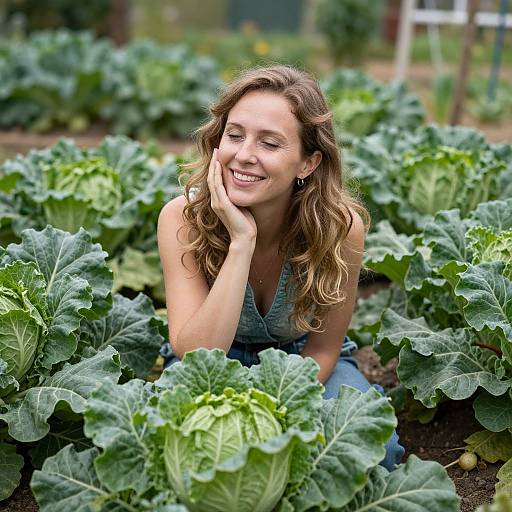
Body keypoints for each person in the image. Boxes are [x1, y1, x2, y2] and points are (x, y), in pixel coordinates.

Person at [157, 65, 404, 470]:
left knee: (375, 453)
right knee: (186, 458)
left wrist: (278, 403)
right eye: (234, 135)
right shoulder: (181, 219)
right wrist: (241, 244)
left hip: (305, 366)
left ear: (307, 163)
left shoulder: (341, 230)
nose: (244, 155)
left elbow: (323, 348)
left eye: (269, 143)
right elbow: (196, 353)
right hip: (204, 369)